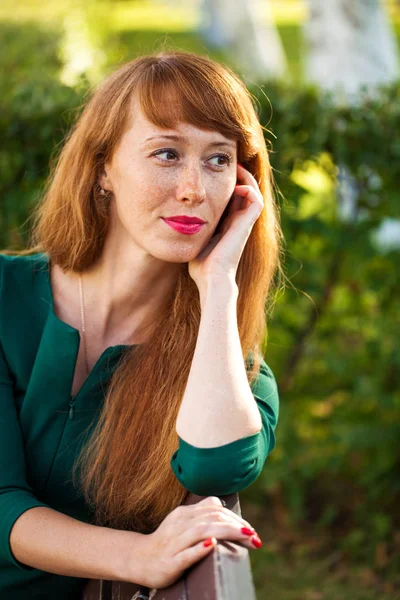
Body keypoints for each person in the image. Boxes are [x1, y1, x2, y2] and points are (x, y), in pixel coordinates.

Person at [0, 50, 282, 598]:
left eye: (219, 160)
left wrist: (219, 285)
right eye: (167, 153)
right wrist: (138, 555)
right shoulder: (5, 297)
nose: (194, 190)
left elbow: (216, 470)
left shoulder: (226, 363)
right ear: (103, 167)